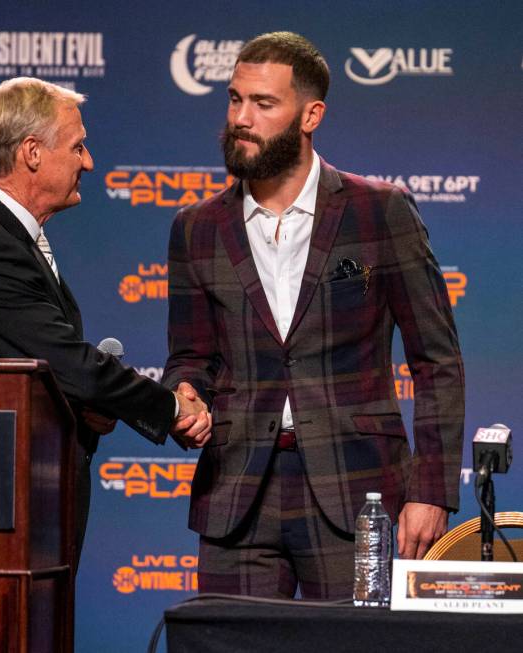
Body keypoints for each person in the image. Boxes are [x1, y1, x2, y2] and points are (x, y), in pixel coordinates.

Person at [162, 32, 464, 599]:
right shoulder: (196, 228)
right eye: (234, 99)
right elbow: (191, 356)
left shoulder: (381, 212)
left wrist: (431, 490)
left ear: (311, 115)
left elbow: (436, 360)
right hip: (236, 495)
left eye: (263, 104)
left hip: (357, 493)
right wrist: (185, 393)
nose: (241, 119)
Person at [0, 77, 210, 558]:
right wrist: (174, 409)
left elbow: (35, 368)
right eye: (78, 146)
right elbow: (70, 365)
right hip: (1, 511)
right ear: (32, 152)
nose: (89, 161)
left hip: (23, 504)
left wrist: (81, 407)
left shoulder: (5, 236)